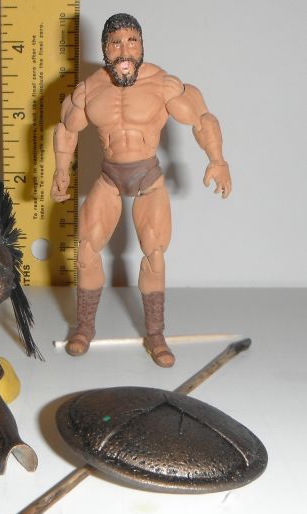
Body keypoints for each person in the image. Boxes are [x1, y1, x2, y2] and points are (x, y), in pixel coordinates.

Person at [50, 13, 232, 367]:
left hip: (148, 179)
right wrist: (61, 170)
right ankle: (84, 328)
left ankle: (155, 334)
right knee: (85, 250)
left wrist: (218, 159)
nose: (124, 51)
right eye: (116, 43)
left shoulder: (162, 84)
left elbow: (201, 118)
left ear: (142, 44)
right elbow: (67, 128)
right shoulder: (89, 89)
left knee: (154, 254)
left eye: (132, 41)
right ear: (105, 49)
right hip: (109, 178)